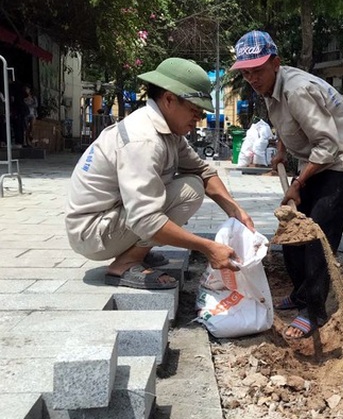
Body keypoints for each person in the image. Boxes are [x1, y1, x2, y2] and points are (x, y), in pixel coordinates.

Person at [65, 58, 254, 289]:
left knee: (193, 182)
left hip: (111, 219)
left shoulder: (168, 131)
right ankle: (126, 263)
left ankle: (137, 251)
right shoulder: (143, 139)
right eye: (195, 111)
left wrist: (234, 210)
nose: (198, 120)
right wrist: (207, 248)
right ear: (168, 100)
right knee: (189, 191)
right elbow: (146, 219)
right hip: (92, 233)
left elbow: (202, 170)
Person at [230, 30, 343, 339]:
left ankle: (314, 310)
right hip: (312, 159)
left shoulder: (298, 90)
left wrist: (297, 183)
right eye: (246, 72)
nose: (251, 77)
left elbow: (328, 145)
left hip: (337, 160)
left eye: (257, 70)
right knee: (291, 229)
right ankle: (302, 293)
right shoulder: (267, 87)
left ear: (275, 63)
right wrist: (280, 151)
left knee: (316, 235)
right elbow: (286, 124)